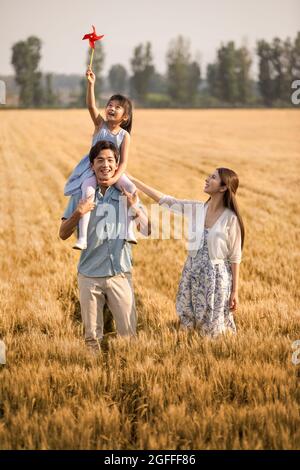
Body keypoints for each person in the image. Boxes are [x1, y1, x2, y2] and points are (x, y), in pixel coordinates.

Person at [127, 168, 245, 338]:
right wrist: (135, 181)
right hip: (191, 272)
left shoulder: (230, 218)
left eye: (213, 177)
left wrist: (235, 292)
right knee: (188, 320)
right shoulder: (198, 208)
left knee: (212, 327)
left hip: (216, 279)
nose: (207, 179)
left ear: (223, 187)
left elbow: (235, 257)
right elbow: (166, 201)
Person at [60, 140, 150, 353]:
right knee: (92, 338)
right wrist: (78, 213)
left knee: (129, 335)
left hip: (120, 274)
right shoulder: (80, 196)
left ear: (117, 165)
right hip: (89, 276)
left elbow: (147, 230)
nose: (105, 165)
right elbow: (63, 234)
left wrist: (134, 208)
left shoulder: (127, 194)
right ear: (92, 166)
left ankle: (127, 375)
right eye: (100, 160)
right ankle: (94, 378)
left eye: (110, 160)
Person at [64, 66, 137, 250]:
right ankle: (82, 239)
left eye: (117, 107)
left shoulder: (124, 136)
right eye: (109, 105)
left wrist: (113, 179)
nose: (111, 108)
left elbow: (124, 162)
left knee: (130, 188)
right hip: (92, 169)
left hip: (114, 171)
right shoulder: (100, 125)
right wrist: (91, 85)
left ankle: (129, 231)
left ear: (125, 117)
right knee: (87, 194)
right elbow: (90, 105)